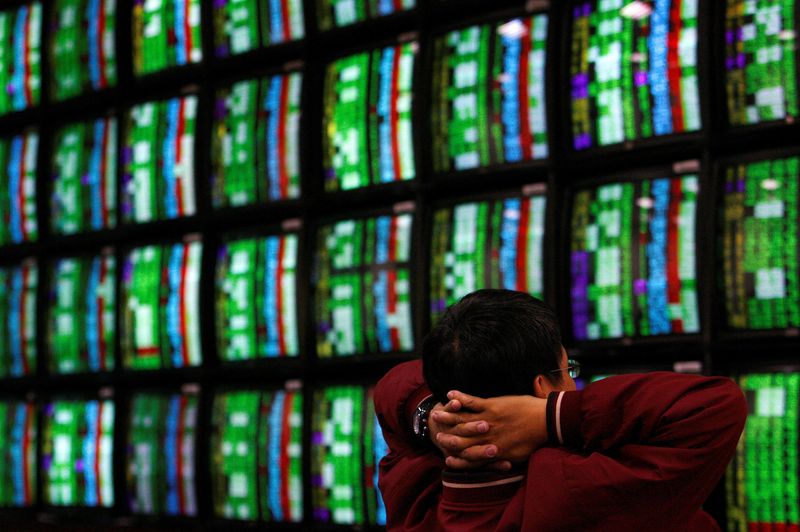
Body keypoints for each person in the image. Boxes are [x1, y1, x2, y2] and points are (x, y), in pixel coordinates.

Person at [374, 289, 747, 531]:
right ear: (541, 388)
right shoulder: (577, 490)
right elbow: (716, 404)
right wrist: (548, 417)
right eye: (567, 372)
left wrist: (435, 420)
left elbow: (394, 385)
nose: (573, 383)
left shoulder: (414, 489)